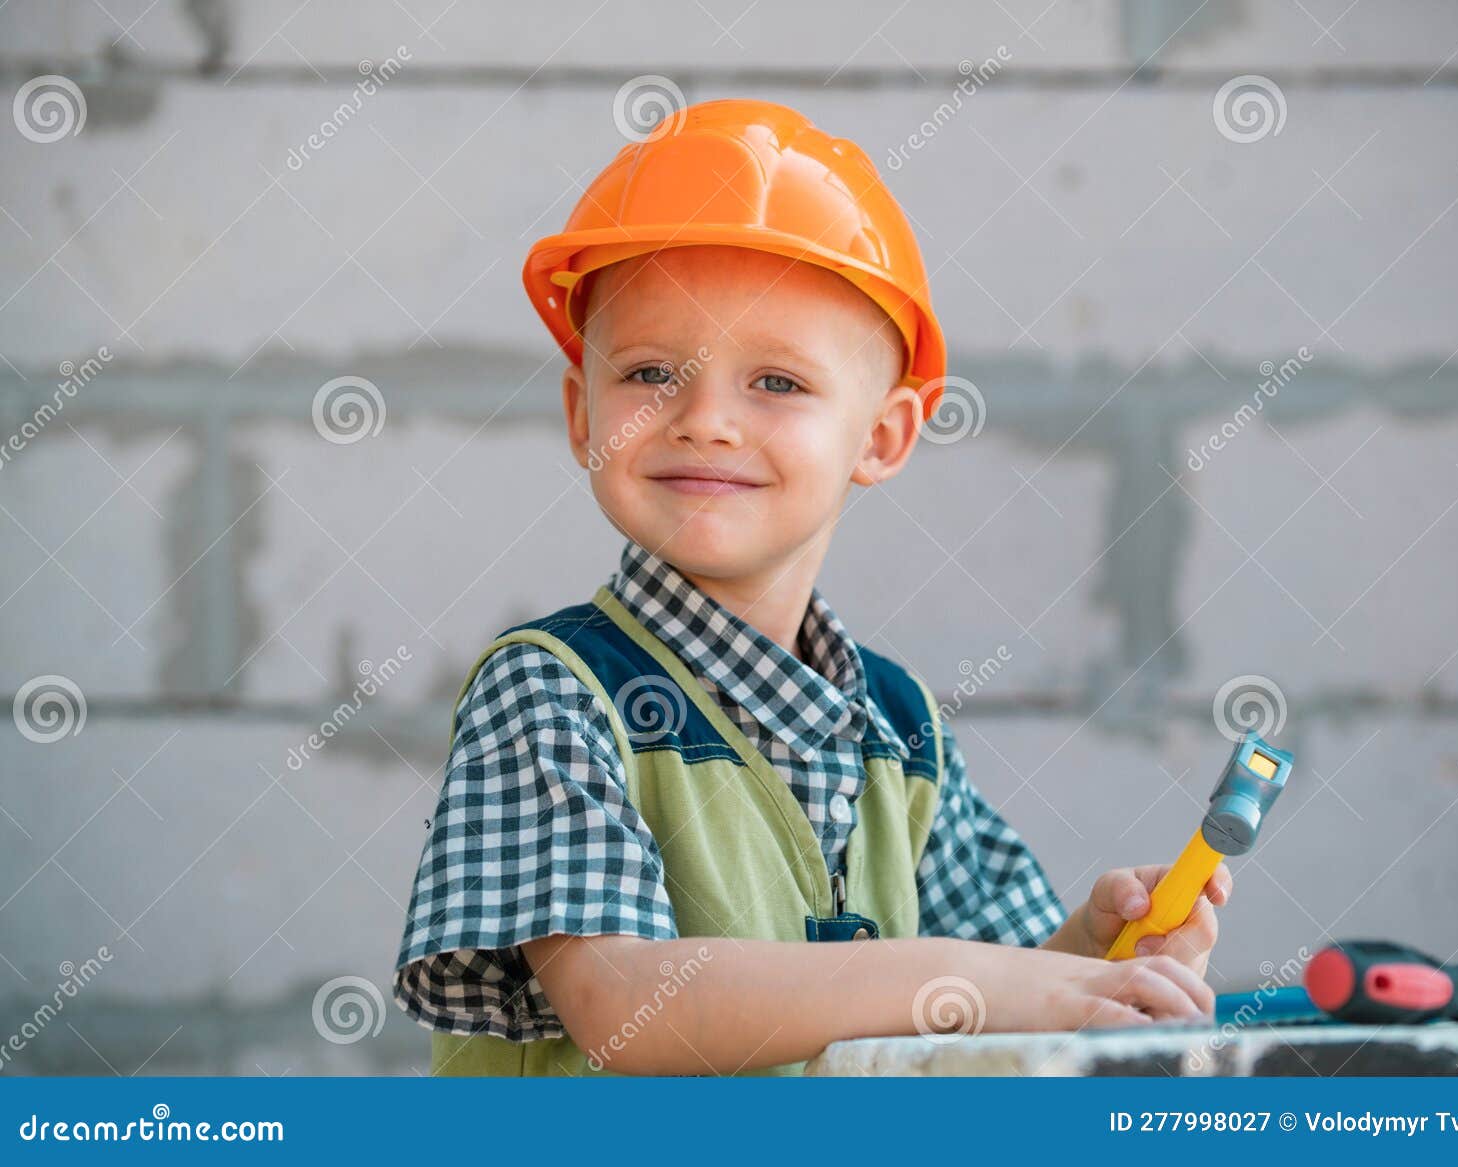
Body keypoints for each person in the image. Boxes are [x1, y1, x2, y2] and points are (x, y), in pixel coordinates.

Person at [393, 98, 1228, 1076]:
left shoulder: (901, 729)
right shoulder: (550, 694)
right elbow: (625, 1006)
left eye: (777, 383)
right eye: (651, 372)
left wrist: (1093, 960)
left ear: (882, 435)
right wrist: (1005, 984)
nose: (704, 420)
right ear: (584, 415)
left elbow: (996, 1009)